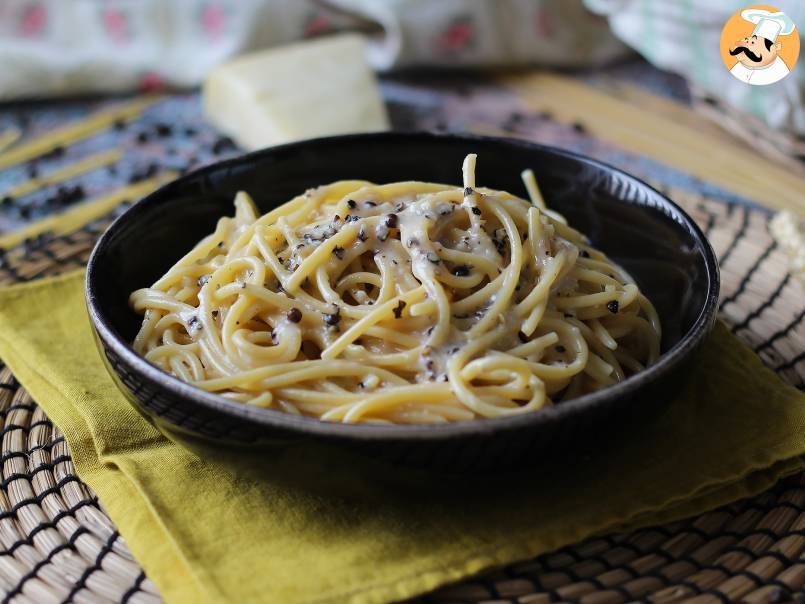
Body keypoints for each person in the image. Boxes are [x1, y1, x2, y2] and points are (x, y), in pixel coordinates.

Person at [728, 9, 795, 86]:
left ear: (775, 47)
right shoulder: (739, 66)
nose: (745, 44)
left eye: (753, 43)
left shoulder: (778, 73)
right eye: (747, 40)